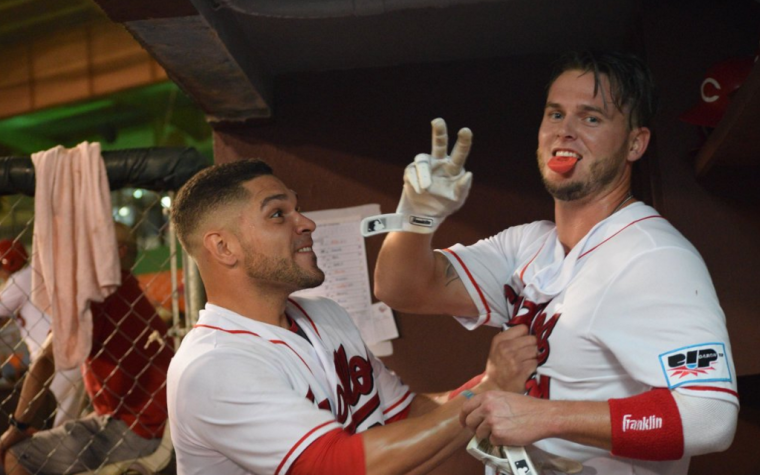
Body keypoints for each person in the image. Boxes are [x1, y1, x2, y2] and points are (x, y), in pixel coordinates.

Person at [371, 51, 739, 475]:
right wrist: (417, 217)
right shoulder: (529, 243)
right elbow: (402, 289)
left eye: (591, 118)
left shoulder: (654, 257)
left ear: (635, 143)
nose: (565, 132)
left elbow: (710, 418)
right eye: (555, 114)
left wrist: (546, 417)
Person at [166, 159, 540, 475]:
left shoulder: (324, 315)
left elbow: (404, 416)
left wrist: (503, 390)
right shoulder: (212, 367)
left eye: (297, 207)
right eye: (278, 214)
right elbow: (336, 465)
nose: (306, 223)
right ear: (223, 247)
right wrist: (491, 390)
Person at [0, 223, 173, 475]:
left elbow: (46, 360)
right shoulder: (129, 290)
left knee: (17, 455)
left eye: (92, 245)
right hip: (151, 422)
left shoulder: (98, 292)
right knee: (58, 431)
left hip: (137, 429)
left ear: (119, 251)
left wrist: (17, 427)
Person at [0, 239, 86, 428]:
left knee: (48, 423)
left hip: (52, 363)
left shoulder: (20, 278)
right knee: (65, 423)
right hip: (67, 357)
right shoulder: (36, 273)